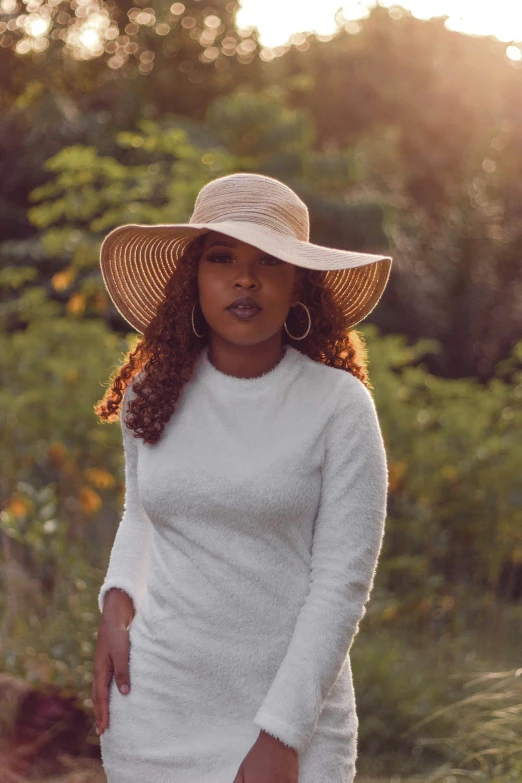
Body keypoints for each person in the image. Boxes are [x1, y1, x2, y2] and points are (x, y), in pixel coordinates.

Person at [92, 172, 392, 783]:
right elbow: (141, 513)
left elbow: (341, 587)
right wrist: (115, 603)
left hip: (293, 719)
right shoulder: (152, 392)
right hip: (155, 710)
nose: (244, 278)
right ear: (192, 280)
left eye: (270, 261)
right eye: (221, 258)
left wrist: (282, 735)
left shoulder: (339, 406)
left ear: (298, 282)